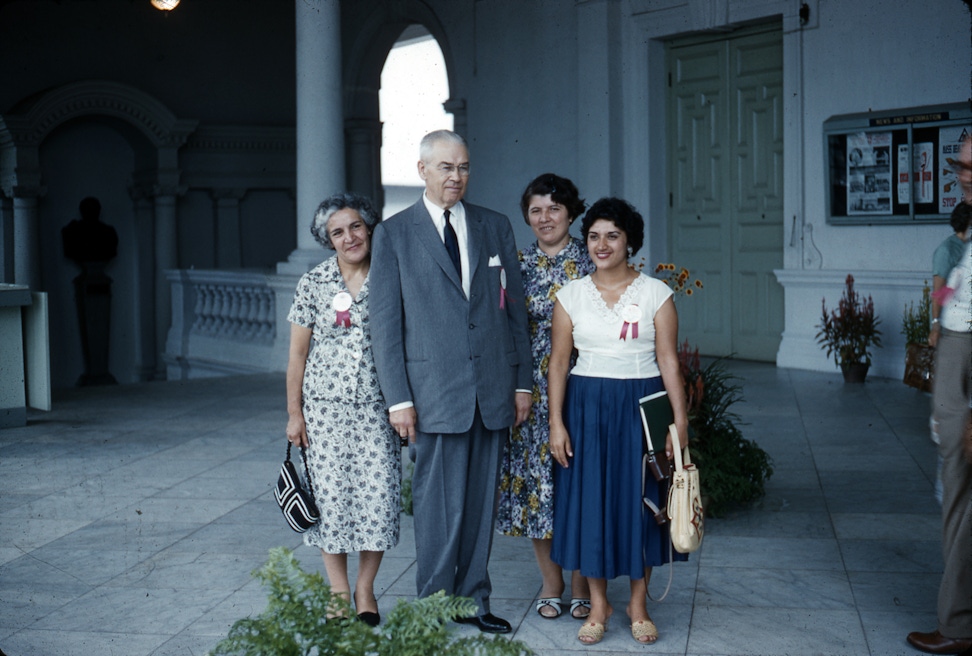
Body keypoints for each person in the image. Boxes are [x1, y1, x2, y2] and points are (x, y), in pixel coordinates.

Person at [370, 130, 532, 634]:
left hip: (490, 389)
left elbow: (515, 314)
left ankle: (474, 600)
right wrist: (398, 398)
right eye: (445, 167)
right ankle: (432, 605)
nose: (456, 177)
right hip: (431, 392)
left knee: (481, 504)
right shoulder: (393, 234)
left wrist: (521, 383)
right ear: (422, 170)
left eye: (463, 167)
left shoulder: (494, 225)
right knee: (439, 506)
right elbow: (385, 325)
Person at [548, 197, 689, 646]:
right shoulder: (569, 296)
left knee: (643, 502)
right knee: (592, 502)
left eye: (612, 235)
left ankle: (638, 603)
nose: (601, 244)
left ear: (630, 241)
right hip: (587, 406)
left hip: (643, 403)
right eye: (593, 236)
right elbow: (557, 364)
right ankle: (599, 603)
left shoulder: (655, 293)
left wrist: (679, 421)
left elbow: (668, 360)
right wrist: (556, 421)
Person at [285, 192, 400, 628]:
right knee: (330, 500)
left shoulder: (391, 276)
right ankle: (337, 591)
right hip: (324, 411)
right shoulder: (313, 283)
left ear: (369, 227)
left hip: (378, 409)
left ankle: (365, 589)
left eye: (355, 227)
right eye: (338, 232)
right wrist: (294, 413)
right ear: (327, 240)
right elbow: (297, 355)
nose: (349, 237)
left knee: (378, 499)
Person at [495, 173, 594, 621]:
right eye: (536, 210)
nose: (545, 217)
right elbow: (503, 332)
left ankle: (581, 583)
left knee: (579, 484)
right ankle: (552, 583)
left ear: (571, 213)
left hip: (585, 382)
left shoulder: (592, 261)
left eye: (554, 208)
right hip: (530, 392)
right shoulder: (514, 266)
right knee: (539, 486)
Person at [907, 134, 972, 656]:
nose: (961, 173)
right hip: (956, 351)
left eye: (971, 165)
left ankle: (957, 623)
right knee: (955, 490)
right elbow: (945, 294)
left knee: (961, 495)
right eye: (958, 164)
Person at [928, 201, 972, 505]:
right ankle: (946, 487)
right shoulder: (948, 252)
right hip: (955, 335)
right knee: (950, 411)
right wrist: (936, 325)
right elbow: (940, 290)